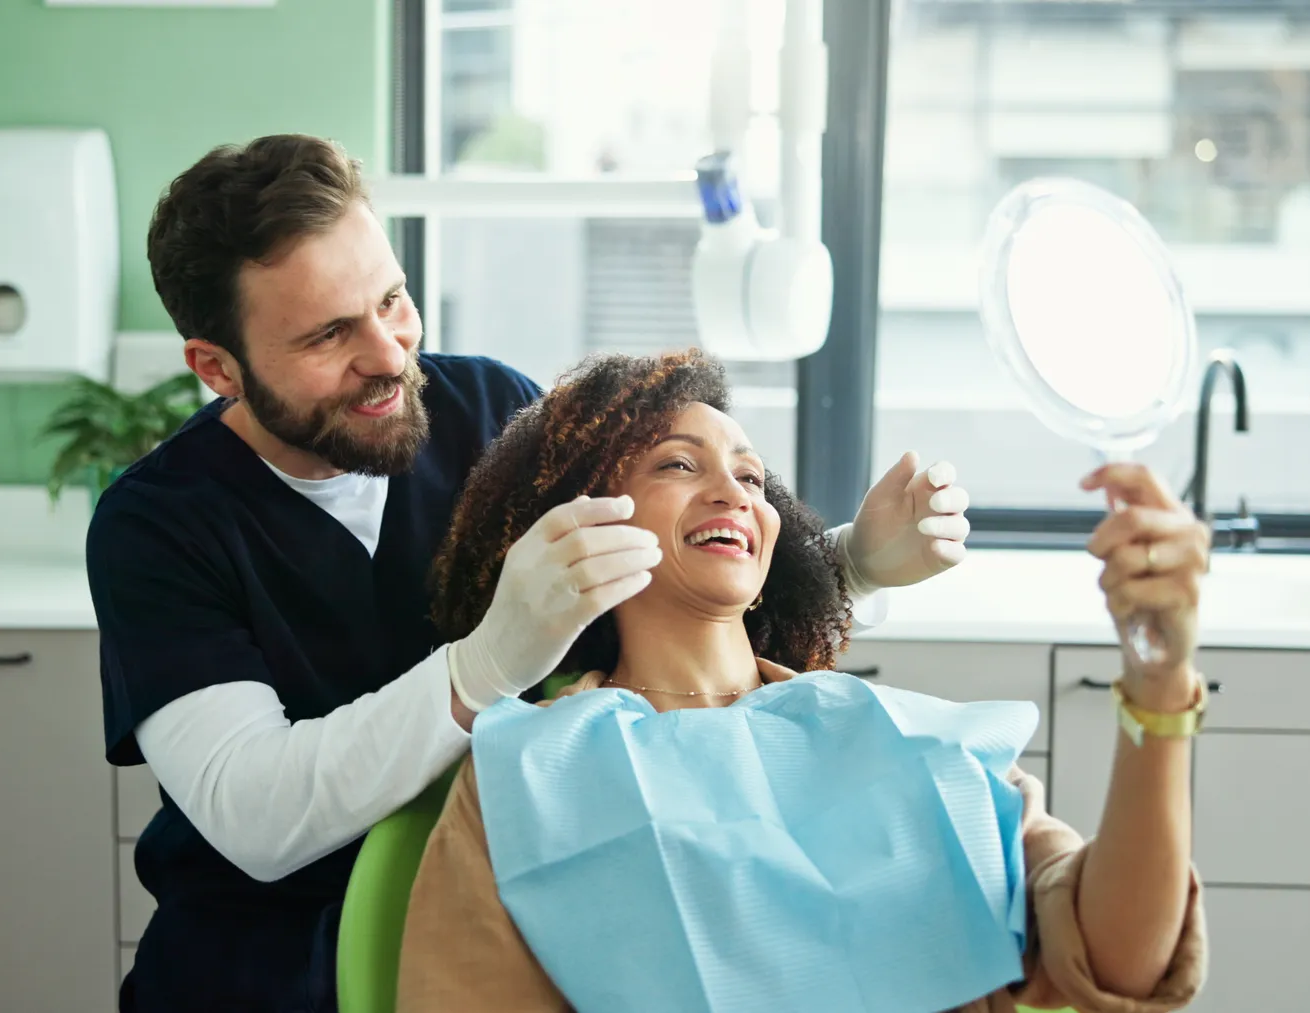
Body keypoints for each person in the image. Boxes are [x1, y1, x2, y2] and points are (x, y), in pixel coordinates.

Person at [85, 134, 973, 1013]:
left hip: (515, 930)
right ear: (217, 368)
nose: (390, 355)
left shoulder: (490, 411)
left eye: (392, 299)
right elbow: (257, 815)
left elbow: (673, 594)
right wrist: (485, 666)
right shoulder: (157, 527)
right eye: (329, 335)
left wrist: (853, 565)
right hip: (262, 975)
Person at [397, 350, 1208, 1013]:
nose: (731, 492)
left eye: (751, 478)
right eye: (678, 464)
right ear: (579, 522)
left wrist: (1161, 679)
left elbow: (1119, 960)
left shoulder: (907, 744)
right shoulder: (530, 774)